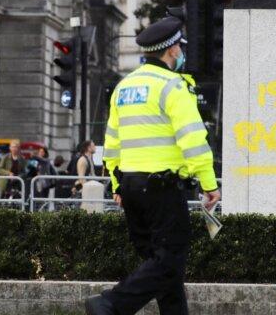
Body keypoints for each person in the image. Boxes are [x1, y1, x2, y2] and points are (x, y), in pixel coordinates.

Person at [86, 16, 219, 315]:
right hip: (163, 189)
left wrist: (117, 186)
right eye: (180, 47)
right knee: (169, 259)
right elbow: (194, 141)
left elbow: (112, 143)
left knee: (164, 270)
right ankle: (110, 304)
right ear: (172, 50)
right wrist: (209, 185)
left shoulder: (124, 87)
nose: (181, 52)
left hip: (131, 189)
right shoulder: (173, 86)